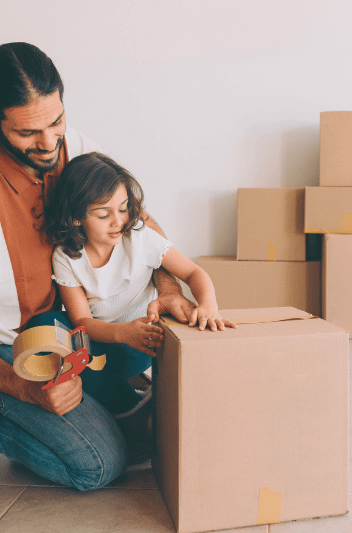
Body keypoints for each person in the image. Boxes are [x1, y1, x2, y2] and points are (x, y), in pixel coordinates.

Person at [0, 42, 195, 491]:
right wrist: (22, 386)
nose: (48, 143)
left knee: (148, 432)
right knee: (99, 464)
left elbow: (135, 222)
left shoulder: (72, 146)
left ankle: (105, 404)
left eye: (56, 121)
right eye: (28, 132)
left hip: (65, 327)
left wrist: (170, 288)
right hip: (0, 347)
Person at [43, 152, 236, 460]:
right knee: (48, 329)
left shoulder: (139, 238)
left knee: (100, 363)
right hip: (105, 340)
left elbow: (193, 272)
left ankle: (133, 410)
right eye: (103, 215)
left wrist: (208, 305)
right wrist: (122, 333)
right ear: (76, 217)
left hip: (142, 343)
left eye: (123, 209)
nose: (118, 221)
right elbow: (81, 321)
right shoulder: (66, 257)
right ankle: (131, 409)